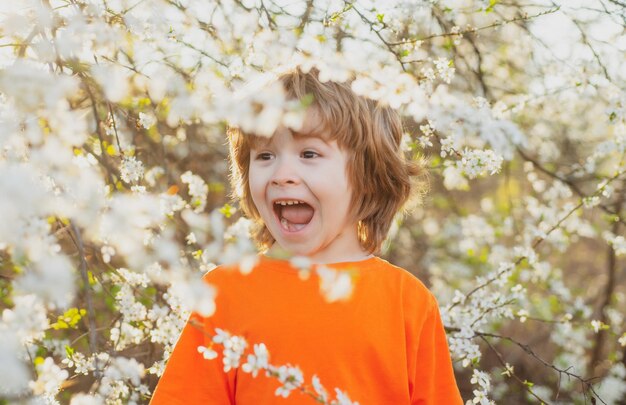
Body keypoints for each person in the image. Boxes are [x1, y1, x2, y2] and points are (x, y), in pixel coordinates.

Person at [150, 68, 462, 404]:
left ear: (370, 174)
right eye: (265, 156)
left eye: (309, 154)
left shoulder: (407, 302)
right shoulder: (224, 296)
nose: (282, 175)